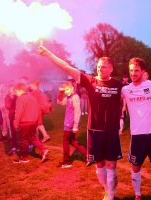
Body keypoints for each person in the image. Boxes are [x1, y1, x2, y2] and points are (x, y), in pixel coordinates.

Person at [39, 46, 123, 200]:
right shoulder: (90, 80)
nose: (100, 69)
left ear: (111, 68)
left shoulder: (118, 85)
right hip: (95, 131)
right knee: (99, 165)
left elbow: (133, 97)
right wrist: (48, 54)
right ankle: (107, 191)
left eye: (103, 67)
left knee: (112, 166)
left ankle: (110, 196)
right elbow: (66, 66)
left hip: (111, 131)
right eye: (98, 67)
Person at [122, 58, 151, 200]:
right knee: (136, 167)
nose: (133, 73)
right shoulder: (126, 89)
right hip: (136, 136)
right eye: (131, 70)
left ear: (143, 72)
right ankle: (137, 195)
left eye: (136, 70)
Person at [12, 83, 49, 163]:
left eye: (16, 92)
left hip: (24, 123)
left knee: (24, 140)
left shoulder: (20, 99)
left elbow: (18, 113)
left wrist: (15, 124)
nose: (15, 94)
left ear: (20, 90)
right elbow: (38, 110)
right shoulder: (32, 97)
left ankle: (24, 158)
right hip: (33, 122)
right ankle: (43, 149)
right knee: (33, 138)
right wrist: (39, 121)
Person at [57, 81, 87, 168]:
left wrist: (75, 125)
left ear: (72, 89)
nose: (66, 91)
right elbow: (60, 102)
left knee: (65, 142)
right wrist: (60, 92)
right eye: (65, 90)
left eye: (67, 89)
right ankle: (87, 155)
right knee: (72, 141)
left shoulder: (75, 97)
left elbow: (78, 112)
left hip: (70, 124)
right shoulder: (69, 97)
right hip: (69, 123)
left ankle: (66, 162)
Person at [5, 85, 18, 155]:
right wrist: (12, 99)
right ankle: (15, 146)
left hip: (19, 115)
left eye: (13, 89)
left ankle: (24, 145)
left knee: (21, 130)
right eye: (11, 89)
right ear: (9, 90)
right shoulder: (7, 97)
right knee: (13, 131)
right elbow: (8, 106)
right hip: (12, 115)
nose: (12, 90)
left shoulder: (17, 96)